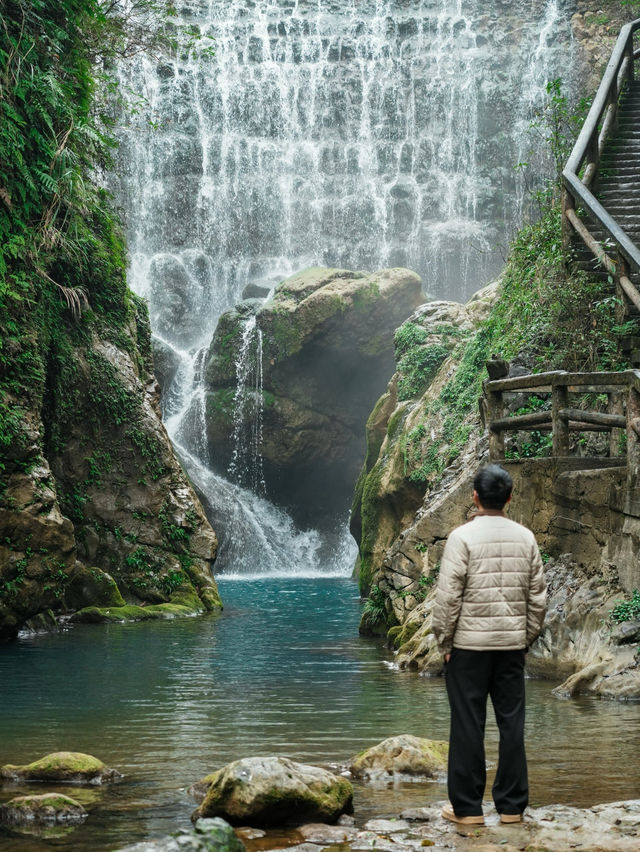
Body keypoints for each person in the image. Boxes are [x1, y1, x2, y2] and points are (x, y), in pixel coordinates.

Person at [431, 463, 547, 827]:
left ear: (475, 497)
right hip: (511, 646)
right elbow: (538, 598)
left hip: (467, 648)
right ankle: (512, 808)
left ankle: (467, 811)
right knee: (512, 724)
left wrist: (444, 641)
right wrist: (525, 638)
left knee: (467, 724)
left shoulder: (461, 538)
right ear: (510, 498)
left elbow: (449, 597)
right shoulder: (526, 538)